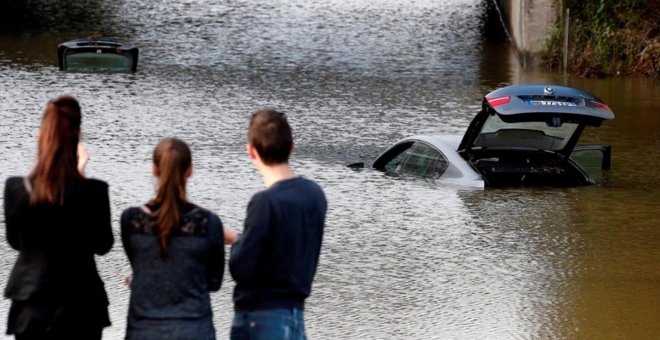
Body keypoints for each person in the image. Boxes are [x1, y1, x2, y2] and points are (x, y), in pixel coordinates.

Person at [3, 95, 113, 340]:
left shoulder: (16, 189)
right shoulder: (94, 191)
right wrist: (80, 172)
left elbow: (16, 242)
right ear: (78, 136)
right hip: (81, 306)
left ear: (42, 135)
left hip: (31, 304)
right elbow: (103, 245)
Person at [229, 109, 327, 340]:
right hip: (295, 314)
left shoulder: (264, 202)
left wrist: (236, 241)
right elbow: (286, 245)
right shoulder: (314, 194)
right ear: (292, 147)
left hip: (260, 317)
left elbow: (241, 269)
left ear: (251, 151)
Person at [121, 137, 226, 340]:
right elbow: (214, 282)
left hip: (144, 330)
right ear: (190, 171)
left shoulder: (131, 220)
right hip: (195, 330)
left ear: (154, 170)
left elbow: (139, 266)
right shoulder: (208, 223)